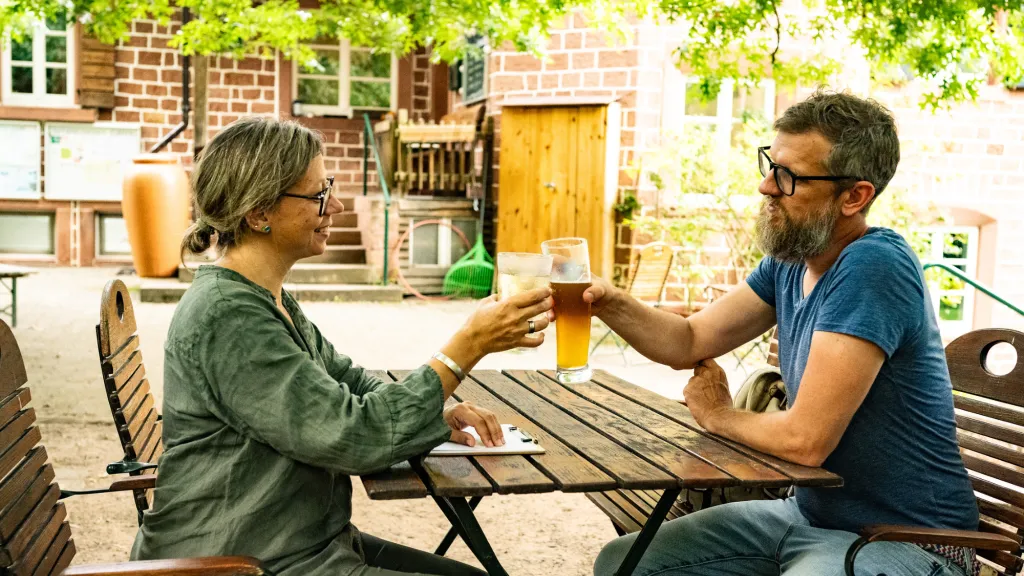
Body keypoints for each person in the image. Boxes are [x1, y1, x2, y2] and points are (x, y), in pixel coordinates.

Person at [131, 116, 553, 576]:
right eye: (317, 195)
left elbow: (347, 381)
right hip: (243, 559)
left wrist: (438, 410)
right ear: (258, 213)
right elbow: (354, 437)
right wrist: (467, 346)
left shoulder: (262, 296)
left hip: (301, 540)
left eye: (326, 187)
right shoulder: (228, 317)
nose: (335, 206)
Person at [591, 91, 979, 576]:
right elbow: (688, 340)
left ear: (854, 196)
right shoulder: (790, 261)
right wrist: (605, 300)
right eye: (770, 165)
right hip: (808, 517)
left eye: (790, 176)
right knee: (622, 563)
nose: (765, 186)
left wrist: (717, 415)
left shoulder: (873, 265)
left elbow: (805, 441)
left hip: (911, 541)